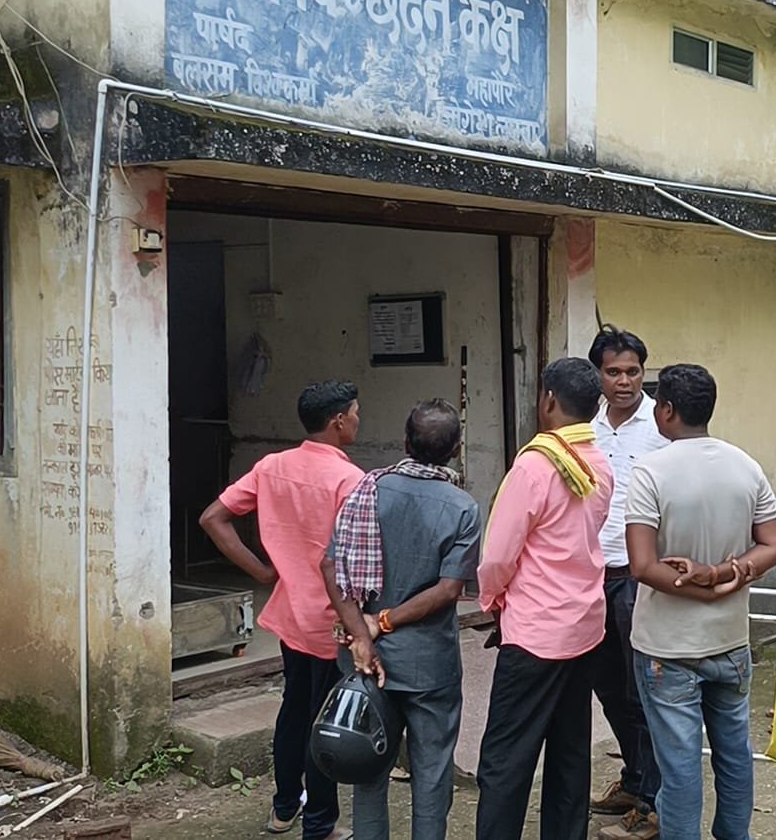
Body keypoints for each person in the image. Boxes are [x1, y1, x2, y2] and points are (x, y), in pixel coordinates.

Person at [625, 363, 776, 840]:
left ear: (666, 410)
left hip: (667, 647)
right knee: (734, 755)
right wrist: (723, 580)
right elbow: (774, 545)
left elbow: (642, 565)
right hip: (730, 641)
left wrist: (706, 581)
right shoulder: (745, 465)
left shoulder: (650, 471)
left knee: (678, 768)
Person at [198, 381, 363, 840]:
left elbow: (213, 518)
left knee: (294, 711)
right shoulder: (349, 480)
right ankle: (320, 822)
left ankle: (284, 807)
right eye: (355, 413)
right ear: (338, 421)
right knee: (324, 720)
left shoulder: (272, 466)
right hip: (331, 620)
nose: (357, 419)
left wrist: (263, 572)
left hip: (290, 615)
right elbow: (354, 558)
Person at [322, 399, 480, 840]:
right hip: (429, 666)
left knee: (368, 770)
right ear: (456, 449)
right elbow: (448, 591)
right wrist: (383, 622)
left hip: (364, 661)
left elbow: (331, 567)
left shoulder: (367, 490)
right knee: (432, 773)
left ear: (405, 441)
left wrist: (362, 635)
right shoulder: (463, 507)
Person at [475, 358, 615, 840]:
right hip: (584, 625)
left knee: (506, 759)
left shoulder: (534, 466)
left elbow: (498, 556)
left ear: (548, 400)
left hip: (534, 632)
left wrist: (492, 600)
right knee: (570, 755)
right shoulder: (598, 463)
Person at [586, 325, 668, 838]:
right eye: (613, 372)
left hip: (640, 579)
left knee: (645, 692)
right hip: (591, 578)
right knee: (608, 687)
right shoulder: (586, 427)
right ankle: (634, 780)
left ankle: (653, 803)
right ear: (598, 375)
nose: (624, 381)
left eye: (633, 372)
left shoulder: (661, 426)